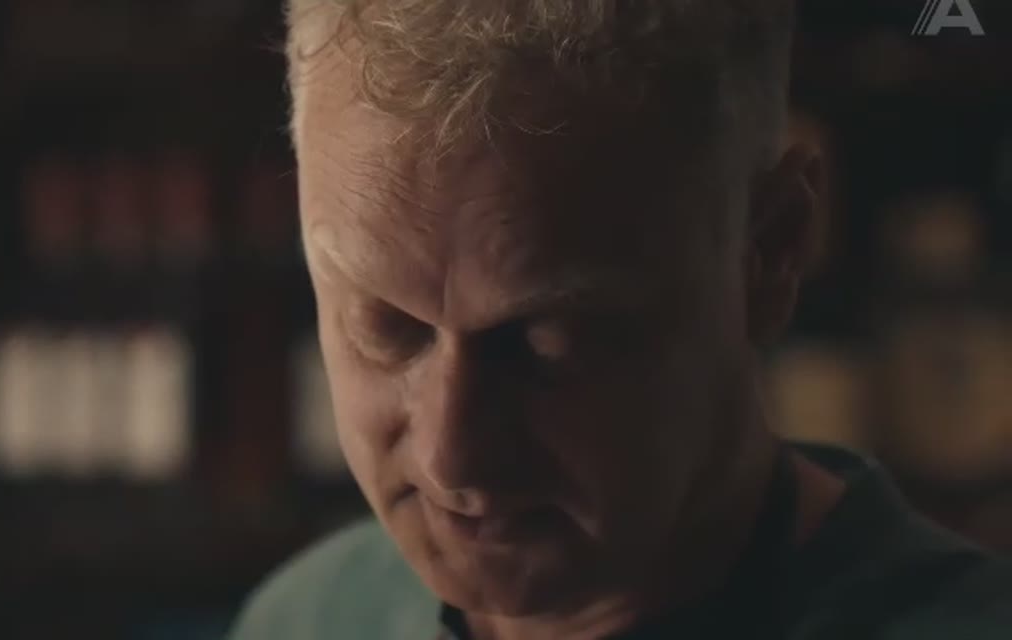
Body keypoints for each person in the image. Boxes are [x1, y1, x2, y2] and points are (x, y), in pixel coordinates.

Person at [228, 1, 1012, 638]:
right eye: (385, 324)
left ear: (771, 250)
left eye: (547, 339)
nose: (449, 460)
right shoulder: (307, 620)